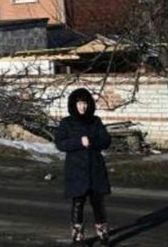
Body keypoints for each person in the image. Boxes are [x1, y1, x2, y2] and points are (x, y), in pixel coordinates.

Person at [56, 88, 112, 245]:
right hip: (76, 169)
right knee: (78, 204)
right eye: (79, 103)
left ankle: (103, 236)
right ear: (74, 105)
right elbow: (60, 143)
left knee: (98, 204)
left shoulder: (95, 121)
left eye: (85, 103)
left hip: (95, 168)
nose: (83, 107)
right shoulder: (66, 123)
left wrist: (92, 142)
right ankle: (78, 237)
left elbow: (106, 141)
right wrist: (79, 142)